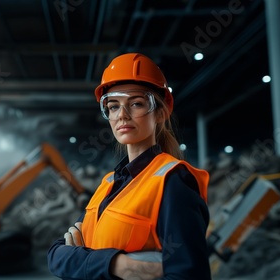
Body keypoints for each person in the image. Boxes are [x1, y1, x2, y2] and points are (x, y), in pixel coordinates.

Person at [47, 53, 211, 279]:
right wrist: (118, 265)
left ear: (161, 112)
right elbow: (56, 255)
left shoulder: (172, 182)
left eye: (136, 104)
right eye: (113, 107)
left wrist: (81, 260)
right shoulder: (109, 183)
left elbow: (189, 275)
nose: (122, 115)